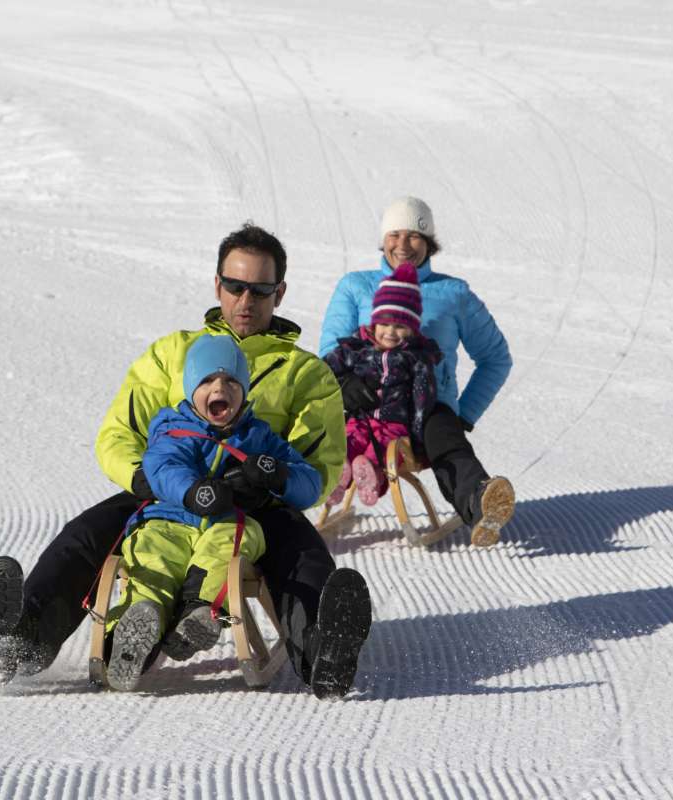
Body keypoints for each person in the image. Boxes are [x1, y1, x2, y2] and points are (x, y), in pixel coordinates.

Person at [0, 223, 372, 700]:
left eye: (261, 289)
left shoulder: (305, 373)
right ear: (217, 284)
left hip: (254, 501)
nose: (247, 300)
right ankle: (19, 640)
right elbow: (119, 432)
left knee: (301, 554)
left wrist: (271, 478)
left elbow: (318, 462)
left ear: (279, 292)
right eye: (236, 286)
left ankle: (324, 651)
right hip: (167, 492)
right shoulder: (173, 354)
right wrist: (145, 479)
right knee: (84, 536)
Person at [105, 334, 321, 691]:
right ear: (191, 388)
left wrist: (277, 473)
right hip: (170, 520)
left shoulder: (259, 436)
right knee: (152, 559)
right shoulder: (174, 429)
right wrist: (193, 491)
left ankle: (201, 612)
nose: (220, 388)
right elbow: (161, 466)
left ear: (245, 390)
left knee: (231, 546)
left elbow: (309, 483)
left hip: (228, 522)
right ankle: (136, 626)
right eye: (207, 380)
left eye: (232, 381)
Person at [319, 196, 516, 546]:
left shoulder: (454, 293)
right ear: (384, 238)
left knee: (448, 441)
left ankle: (481, 502)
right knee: (343, 437)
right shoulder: (355, 286)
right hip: (369, 406)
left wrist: (465, 414)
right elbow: (329, 353)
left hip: (429, 406)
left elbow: (495, 357)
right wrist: (344, 386)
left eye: (414, 235)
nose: (403, 245)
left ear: (429, 242)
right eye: (395, 234)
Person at [322, 261, 442, 507]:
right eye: (385, 324)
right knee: (344, 441)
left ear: (411, 329)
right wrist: (338, 382)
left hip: (394, 425)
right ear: (374, 323)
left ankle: (372, 477)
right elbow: (324, 370)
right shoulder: (356, 348)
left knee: (383, 452)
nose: (390, 332)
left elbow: (423, 399)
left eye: (400, 326)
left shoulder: (415, 358)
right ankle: (337, 477)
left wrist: (419, 440)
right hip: (359, 419)